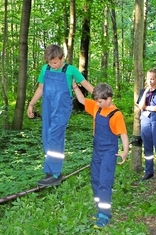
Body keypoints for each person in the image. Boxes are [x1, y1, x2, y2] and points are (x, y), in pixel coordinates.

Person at [27, 44, 94, 186]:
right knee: (46, 137)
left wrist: (103, 98)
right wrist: (31, 104)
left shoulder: (70, 70)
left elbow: (87, 85)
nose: (52, 65)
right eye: (50, 62)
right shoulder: (45, 69)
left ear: (62, 58)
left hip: (62, 108)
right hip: (48, 107)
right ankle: (50, 171)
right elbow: (41, 88)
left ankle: (55, 174)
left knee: (54, 136)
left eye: (55, 62)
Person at [73, 82, 129, 228]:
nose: (97, 103)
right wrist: (75, 86)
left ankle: (105, 214)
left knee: (105, 181)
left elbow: (123, 135)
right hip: (97, 150)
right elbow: (81, 100)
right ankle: (100, 208)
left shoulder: (116, 115)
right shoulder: (97, 107)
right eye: (96, 101)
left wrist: (125, 151)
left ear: (109, 98)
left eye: (100, 101)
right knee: (95, 179)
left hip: (109, 152)